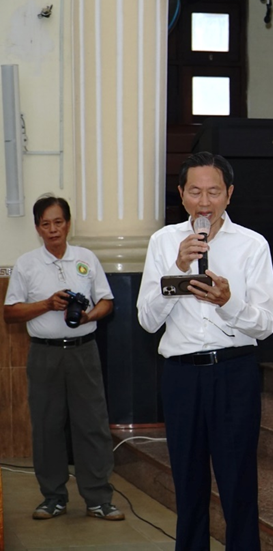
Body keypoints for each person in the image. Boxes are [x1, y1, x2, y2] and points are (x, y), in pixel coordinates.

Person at [137, 152, 273, 551]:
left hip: (234, 373)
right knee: (188, 484)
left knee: (238, 485)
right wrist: (179, 269)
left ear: (229, 194)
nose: (204, 202)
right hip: (181, 376)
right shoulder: (163, 242)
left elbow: (265, 324)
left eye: (213, 192)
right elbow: (147, 320)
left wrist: (229, 302)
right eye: (195, 192)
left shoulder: (252, 245)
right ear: (181, 194)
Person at [3, 195, 124, 521]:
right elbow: (10, 313)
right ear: (37, 228)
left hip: (84, 351)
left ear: (68, 224)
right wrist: (47, 304)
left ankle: (98, 499)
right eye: (46, 224)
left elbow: (106, 302)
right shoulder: (26, 263)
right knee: (47, 427)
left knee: (92, 425)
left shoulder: (86, 258)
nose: (53, 229)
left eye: (58, 222)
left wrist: (87, 316)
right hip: (44, 354)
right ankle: (53, 497)